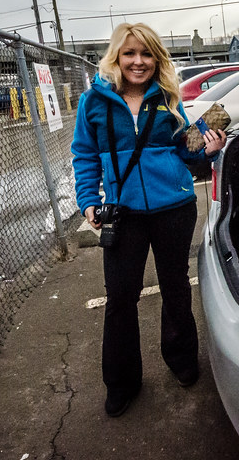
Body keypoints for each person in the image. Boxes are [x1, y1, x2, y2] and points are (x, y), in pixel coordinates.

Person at [71, 22, 227, 417]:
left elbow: (186, 156)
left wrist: (208, 149)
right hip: (124, 214)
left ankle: (182, 360)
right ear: (116, 57)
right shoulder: (94, 103)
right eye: (130, 53)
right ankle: (121, 381)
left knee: (175, 286)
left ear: (156, 59)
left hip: (174, 208)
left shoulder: (168, 99)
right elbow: (84, 155)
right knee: (121, 297)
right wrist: (88, 200)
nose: (138, 62)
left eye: (146, 54)